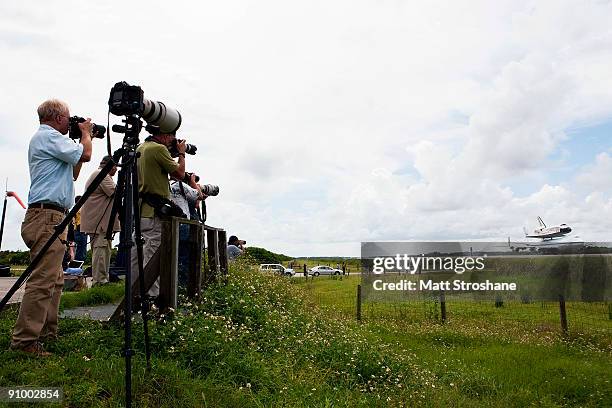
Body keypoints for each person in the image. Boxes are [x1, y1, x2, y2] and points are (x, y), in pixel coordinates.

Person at [10, 99, 92, 356]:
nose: (71, 123)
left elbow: (75, 172)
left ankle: (46, 332)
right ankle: (24, 341)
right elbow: (86, 155)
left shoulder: (53, 143)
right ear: (58, 118)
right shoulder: (48, 137)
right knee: (43, 282)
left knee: (55, 280)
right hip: (47, 218)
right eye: (68, 119)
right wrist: (87, 134)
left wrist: (83, 139)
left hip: (51, 217)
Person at [131, 127, 186, 296]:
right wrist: (182, 154)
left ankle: (133, 294)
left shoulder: (141, 147)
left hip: (141, 209)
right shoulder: (158, 149)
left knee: (137, 255)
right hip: (155, 212)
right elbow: (179, 174)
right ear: (164, 135)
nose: (172, 141)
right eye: (171, 137)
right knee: (153, 257)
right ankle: (152, 298)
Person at [81, 156, 120, 286]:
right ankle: (100, 281)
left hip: (99, 222)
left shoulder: (98, 174)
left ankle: (102, 279)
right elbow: (115, 192)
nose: (116, 170)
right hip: (100, 223)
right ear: (111, 166)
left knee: (103, 250)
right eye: (115, 167)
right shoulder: (102, 174)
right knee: (101, 251)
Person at [72, 196, 88, 261]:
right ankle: (79, 263)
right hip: (81, 229)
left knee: (79, 248)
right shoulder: (81, 208)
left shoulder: (75, 208)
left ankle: (78, 263)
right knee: (81, 248)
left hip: (77, 229)